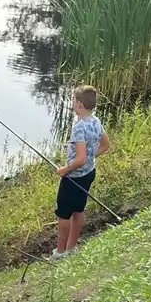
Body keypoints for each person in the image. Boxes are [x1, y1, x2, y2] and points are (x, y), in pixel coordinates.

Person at [54, 85, 111, 258]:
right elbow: (106, 146)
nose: (72, 102)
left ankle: (60, 252)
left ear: (78, 104)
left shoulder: (79, 127)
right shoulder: (95, 121)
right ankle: (71, 248)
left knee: (64, 214)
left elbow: (79, 159)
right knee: (79, 210)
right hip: (88, 173)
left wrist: (65, 169)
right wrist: (89, 159)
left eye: (73, 100)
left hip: (74, 178)